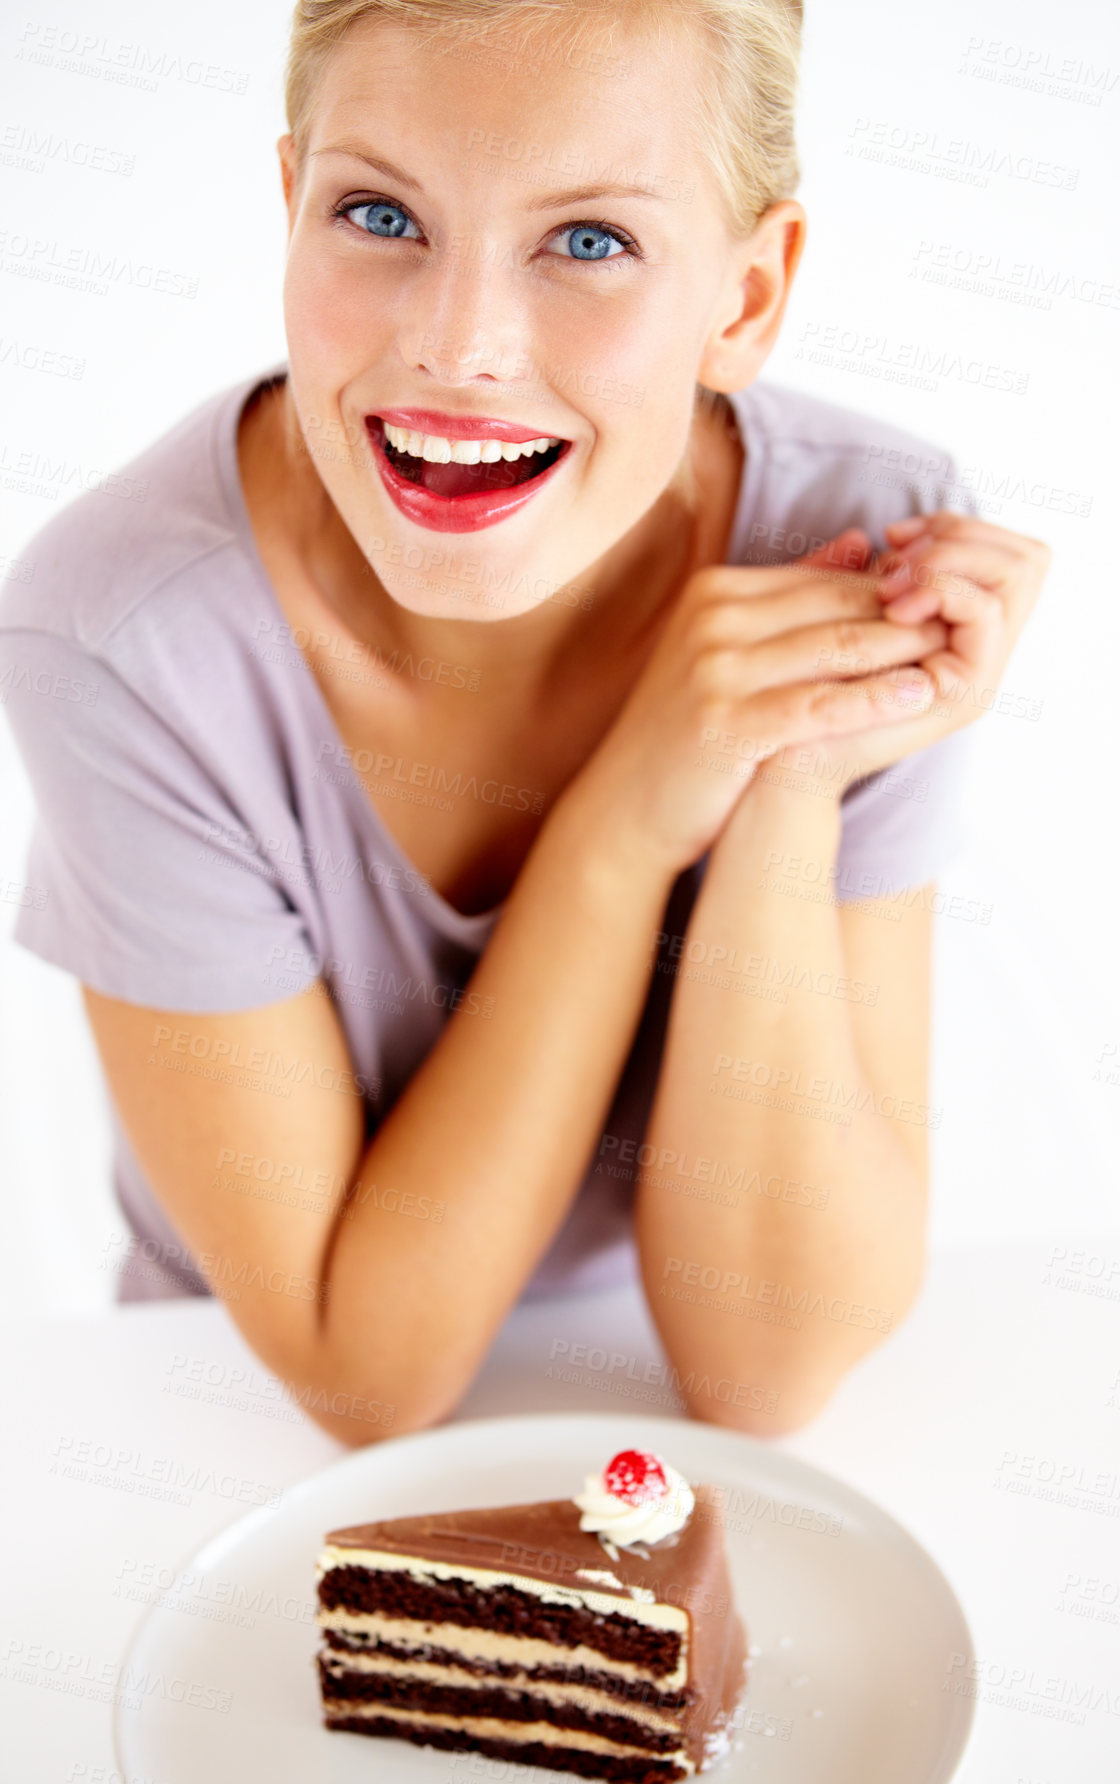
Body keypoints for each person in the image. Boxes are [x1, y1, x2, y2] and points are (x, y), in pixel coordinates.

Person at [0, 0, 1047, 1446]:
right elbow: (358, 1373)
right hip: (211, 1423)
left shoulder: (859, 546)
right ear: (289, 202)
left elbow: (766, 1368)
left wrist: (790, 781)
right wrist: (633, 812)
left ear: (745, 300)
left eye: (592, 241)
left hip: (638, 1400)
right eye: (379, 214)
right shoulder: (123, 638)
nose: (461, 345)